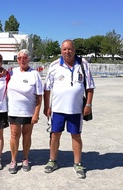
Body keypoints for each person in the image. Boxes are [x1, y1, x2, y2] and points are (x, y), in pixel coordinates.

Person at [43, 39, 95, 179]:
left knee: (76, 136)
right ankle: (52, 161)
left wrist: (88, 105)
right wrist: (46, 106)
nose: (67, 51)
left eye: (70, 49)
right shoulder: (54, 65)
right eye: (65, 49)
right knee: (54, 135)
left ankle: (77, 163)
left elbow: (90, 87)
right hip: (58, 109)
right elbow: (47, 89)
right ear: (61, 50)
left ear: (74, 50)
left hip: (76, 110)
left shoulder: (83, 64)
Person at [7, 49, 43, 174]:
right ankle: (13, 160)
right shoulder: (11, 72)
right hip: (14, 110)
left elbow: (39, 96)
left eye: (25, 57)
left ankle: (25, 158)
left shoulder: (34, 74)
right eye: (19, 58)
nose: (22, 60)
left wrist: (36, 113)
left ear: (29, 59)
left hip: (29, 111)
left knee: (27, 135)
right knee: (14, 135)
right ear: (17, 60)